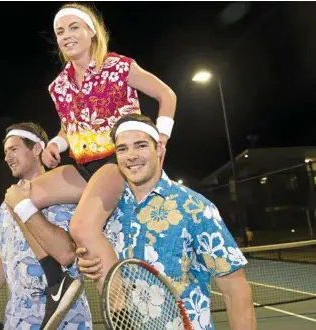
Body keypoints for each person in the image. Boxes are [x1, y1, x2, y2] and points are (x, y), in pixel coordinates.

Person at [6, 2, 177, 325]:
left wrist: (162, 137)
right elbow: (69, 128)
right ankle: (58, 278)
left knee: (83, 227)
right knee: (17, 196)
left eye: (74, 27)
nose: (67, 35)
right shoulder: (58, 86)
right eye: (60, 31)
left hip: (116, 162)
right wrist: (56, 144)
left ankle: (122, 311)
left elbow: (167, 95)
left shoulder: (120, 67)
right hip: (82, 167)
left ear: (91, 32)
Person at [76, 113, 257, 330]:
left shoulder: (196, 208)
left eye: (141, 145)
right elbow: (103, 259)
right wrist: (89, 262)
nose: (131, 155)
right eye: (122, 149)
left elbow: (235, 290)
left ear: (159, 149)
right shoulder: (109, 210)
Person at [0, 122, 92, 330]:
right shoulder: (5, 205)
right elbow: (6, 256)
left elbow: (67, 252)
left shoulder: (67, 192)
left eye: (14, 149)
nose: (7, 157)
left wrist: (22, 206)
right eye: (5, 152)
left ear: (37, 148)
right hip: (18, 321)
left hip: (67, 322)